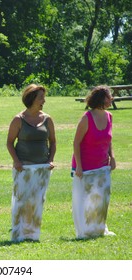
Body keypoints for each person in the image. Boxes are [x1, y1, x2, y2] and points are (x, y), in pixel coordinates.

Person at [6, 84, 56, 242]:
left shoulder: (47, 119)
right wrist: (16, 161)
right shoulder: (18, 119)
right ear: (31, 99)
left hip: (42, 168)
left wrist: (50, 160)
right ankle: (19, 234)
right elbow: (9, 142)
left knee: (37, 201)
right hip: (24, 169)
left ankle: (33, 235)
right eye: (41, 97)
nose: (44, 100)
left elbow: (53, 142)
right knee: (22, 201)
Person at [72, 85, 116, 239]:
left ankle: (100, 229)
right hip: (84, 167)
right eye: (109, 96)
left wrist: (112, 157)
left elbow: (108, 141)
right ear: (101, 99)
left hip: (103, 165)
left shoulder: (110, 116)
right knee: (85, 200)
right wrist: (78, 166)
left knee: (102, 198)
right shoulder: (86, 118)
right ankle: (84, 232)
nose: (111, 99)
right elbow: (76, 142)